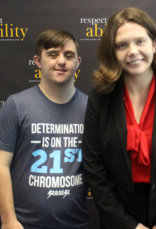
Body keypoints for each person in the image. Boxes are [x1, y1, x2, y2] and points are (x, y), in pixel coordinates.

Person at [82, 7, 156, 229]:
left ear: (154, 44)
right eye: (122, 45)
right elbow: (93, 166)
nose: (132, 51)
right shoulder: (100, 98)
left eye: (140, 41)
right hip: (118, 216)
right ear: (113, 51)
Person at [0, 29, 89, 229]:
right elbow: (1, 165)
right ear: (38, 61)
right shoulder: (16, 105)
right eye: (52, 54)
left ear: (77, 62)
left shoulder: (91, 109)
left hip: (77, 224)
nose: (61, 61)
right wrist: (8, 221)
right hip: (24, 225)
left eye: (68, 55)